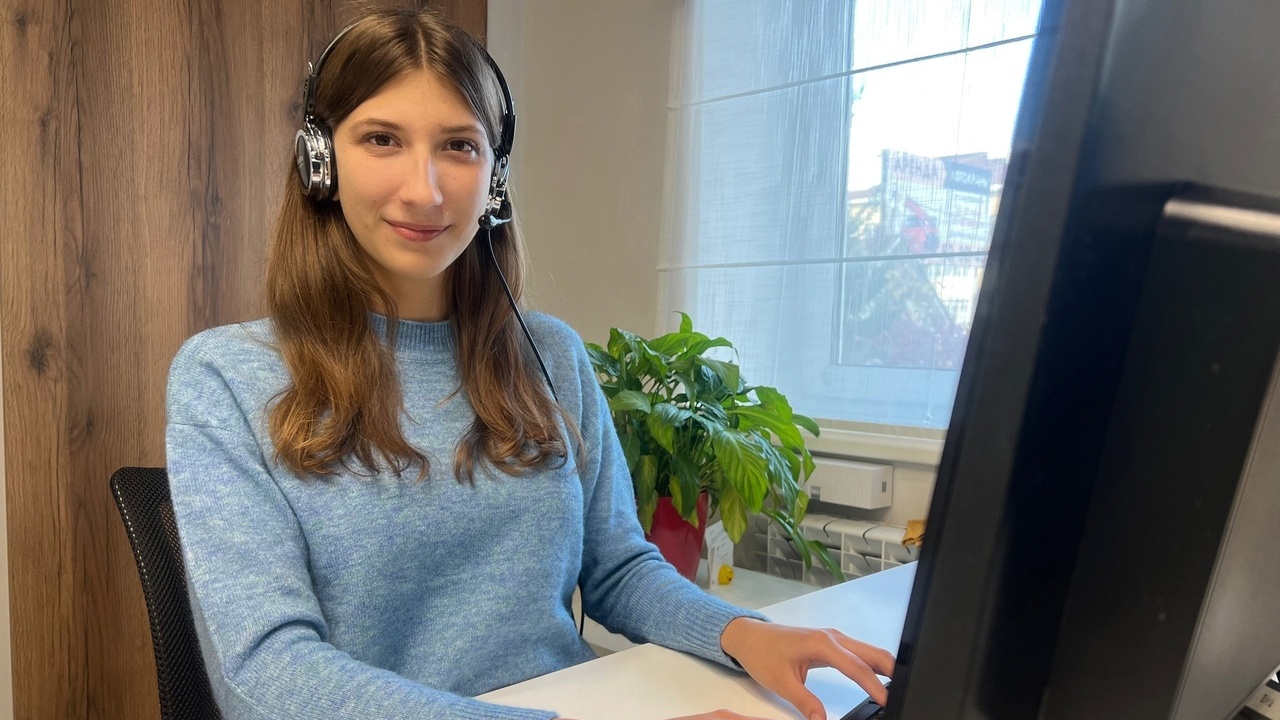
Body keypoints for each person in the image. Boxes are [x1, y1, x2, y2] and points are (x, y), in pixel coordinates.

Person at [164, 5, 894, 720]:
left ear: (495, 176)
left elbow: (619, 568)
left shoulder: (550, 356)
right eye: (381, 139)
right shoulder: (225, 377)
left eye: (459, 146)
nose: (424, 190)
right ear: (319, 162)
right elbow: (264, 671)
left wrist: (742, 634)